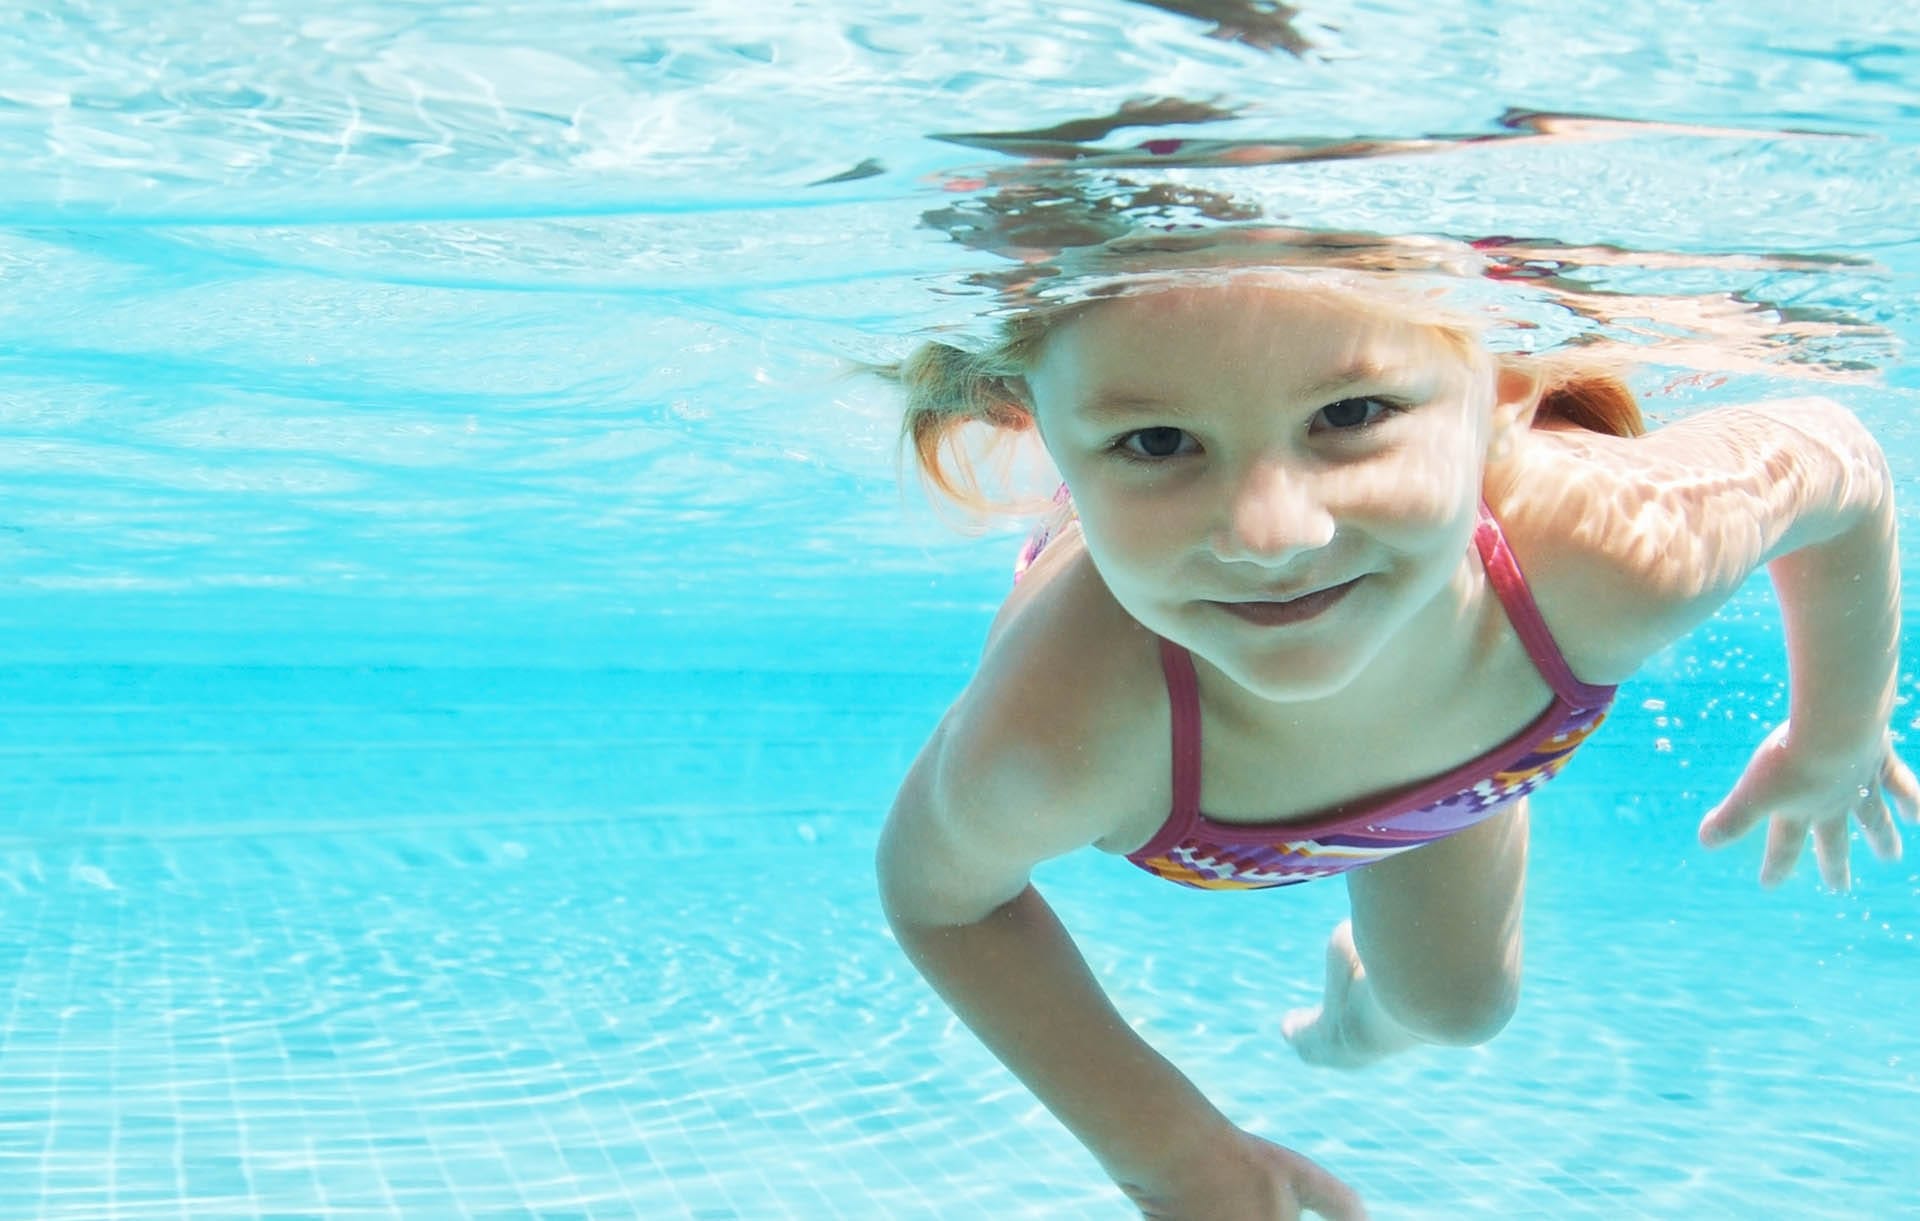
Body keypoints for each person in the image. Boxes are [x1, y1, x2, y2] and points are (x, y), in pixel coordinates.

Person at [872, 261, 1917, 1220]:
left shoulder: (1609, 551)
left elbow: (1842, 462)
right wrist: (1173, 1154)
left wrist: (1838, 732)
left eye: (1352, 414)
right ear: (1045, 437)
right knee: (1463, 1004)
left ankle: (1355, 1024)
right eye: (1155, 441)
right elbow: (940, 898)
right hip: (1421, 743)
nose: (1272, 534)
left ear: (1507, 386)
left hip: (1471, 755)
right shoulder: (1061, 730)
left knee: (1459, 1011)